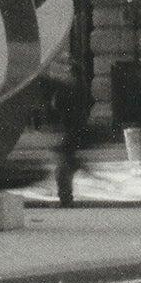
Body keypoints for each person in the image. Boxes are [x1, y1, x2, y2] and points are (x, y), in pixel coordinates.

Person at [46, 63, 90, 208]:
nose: (64, 75)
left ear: (73, 75)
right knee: (65, 165)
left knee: (63, 168)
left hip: (71, 131)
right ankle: (66, 196)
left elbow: (57, 106)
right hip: (73, 131)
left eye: (67, 73)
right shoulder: (78, 88)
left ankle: (66, 198)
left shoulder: (70, 89)